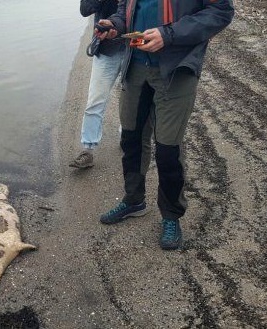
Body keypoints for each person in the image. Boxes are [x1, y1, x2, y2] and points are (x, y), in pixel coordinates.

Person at [96, 0, 234, 250]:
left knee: (168, 148)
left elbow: (221, 11)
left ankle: (171, 216)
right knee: (131, 138)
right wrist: (115, 26)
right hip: (135, 65)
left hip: (175, 70)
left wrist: (168, 35)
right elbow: (125, 10)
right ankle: (134, 200)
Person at [69, 0, 126, 169]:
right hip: (106, 50)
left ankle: (126, 137)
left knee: (130, 99)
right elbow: (85, 10)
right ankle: (88, 149)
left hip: (135, 48)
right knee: (95, 101)